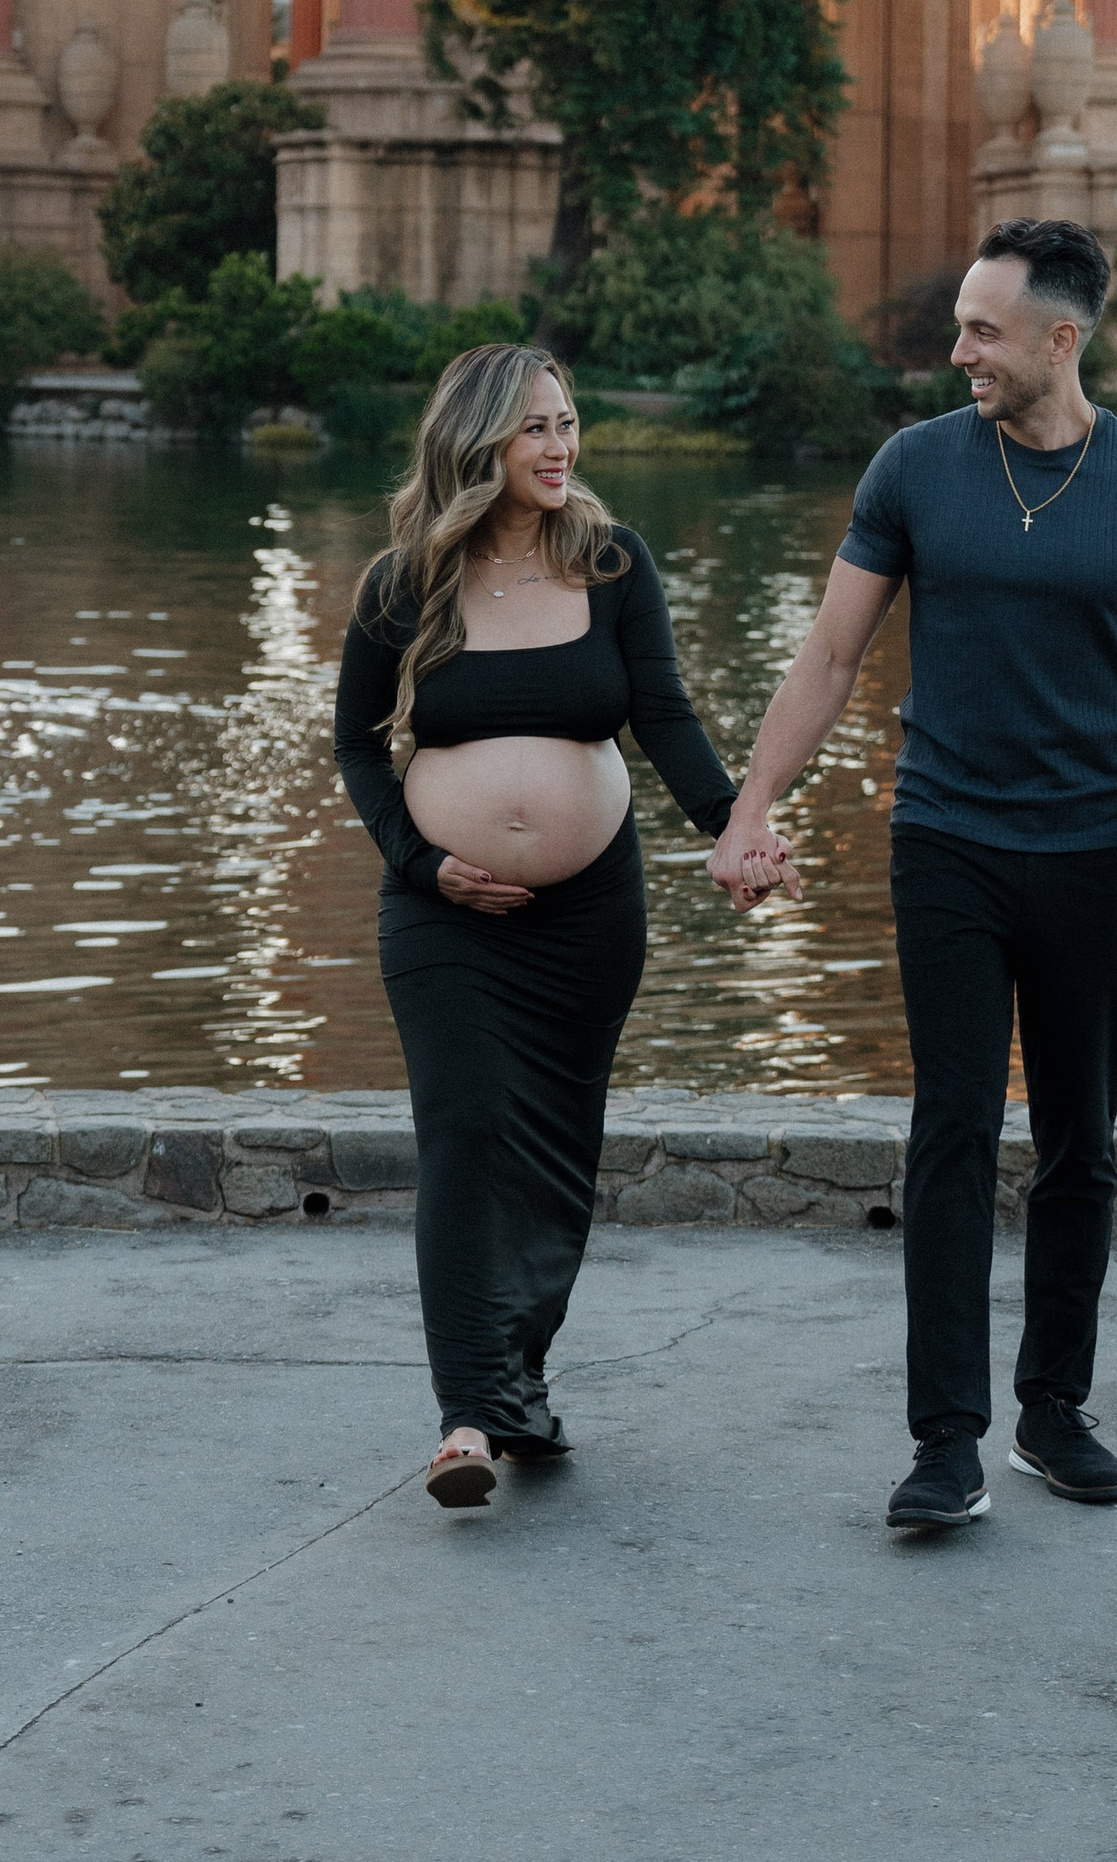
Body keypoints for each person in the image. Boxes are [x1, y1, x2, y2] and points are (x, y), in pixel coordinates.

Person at [709, 218, 1117, 1531]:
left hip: (1094, 851)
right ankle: (945, 1441)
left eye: (984, 331)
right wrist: (750, 807)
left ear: (1062, 338)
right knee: (950, 1128)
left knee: (1078, 1142)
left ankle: (1053, 1411)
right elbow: (831, 656)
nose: (959, 352)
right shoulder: (915, 468)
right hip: (944, 839)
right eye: (960, 326)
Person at [336, 343, 786, 1511]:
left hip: (588, 914)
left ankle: (518, 1384)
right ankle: (466, 1416)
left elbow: (663, 713)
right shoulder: (401, 583)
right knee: (465, 1131)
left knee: (552, 1150)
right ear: (478, 438)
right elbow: (356, 748)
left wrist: (732, 827)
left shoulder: (611, 559)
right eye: (535, 425)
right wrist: (422, 861)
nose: (560, 445)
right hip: (443, 914)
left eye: (568, 422)